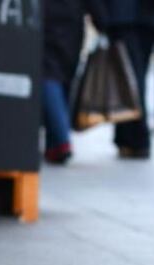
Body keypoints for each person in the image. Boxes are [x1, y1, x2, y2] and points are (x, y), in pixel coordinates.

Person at [106, 0, 154, 159]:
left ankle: (136, 138)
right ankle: (128, 137)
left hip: (123, 16)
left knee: (130, 76)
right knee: (133, 75)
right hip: (147, 16)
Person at [42, 0, 109, 164]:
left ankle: (58, 140)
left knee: (50, 77)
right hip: (70, 24)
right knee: (60, 79)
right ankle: (57, 140)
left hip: (47, 20)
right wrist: (102, 21)